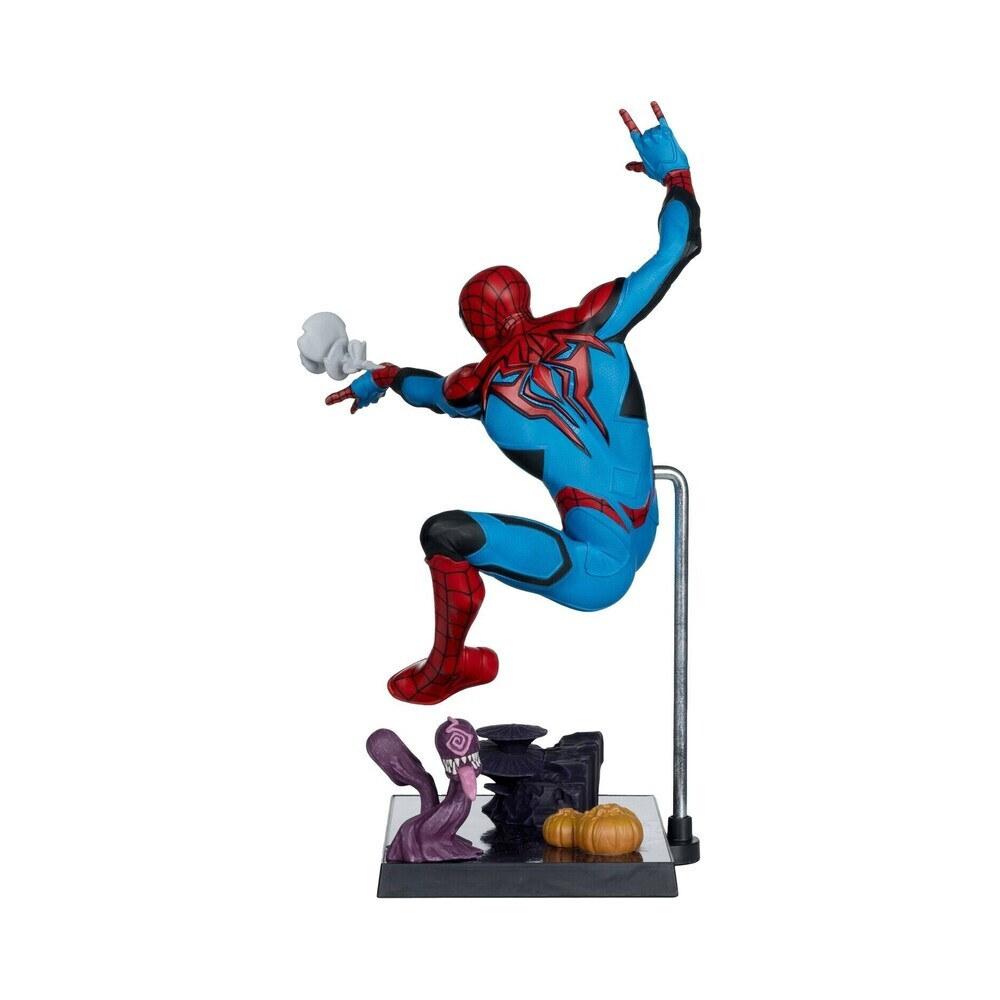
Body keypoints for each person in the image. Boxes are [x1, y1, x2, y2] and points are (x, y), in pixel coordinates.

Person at [326, 103, 701, 704]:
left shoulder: (479, 386)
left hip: (593, 572)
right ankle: (456, 663)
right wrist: (676, 176)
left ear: (475, 328)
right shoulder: (597, 322)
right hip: (646, 526)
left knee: (444, 534)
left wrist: (382, 378)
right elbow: (679, 248)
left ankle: (450, 666)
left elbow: (426, 391)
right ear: (525, 295)